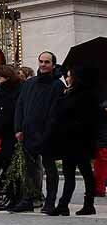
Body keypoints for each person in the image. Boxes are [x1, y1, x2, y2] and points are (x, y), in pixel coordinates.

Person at [12, 51, 65, 213]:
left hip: (48, 134)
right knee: (28, 169)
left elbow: (56, 112)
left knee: (49, 169)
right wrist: (18, 129)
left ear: (53, 65)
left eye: (47, 62)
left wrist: (49, 132)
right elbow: (20, 106)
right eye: (41, 61)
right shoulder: (29, 83)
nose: (43, 64)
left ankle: (50, 202)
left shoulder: (58, 85)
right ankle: (27, 199)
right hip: (28, 132)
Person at [47, 66, 100, 216]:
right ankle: (63, 204)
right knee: (68, 173)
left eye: (70, 76)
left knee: (86, 173)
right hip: (68, 141)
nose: (67, 78)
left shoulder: (87, 95)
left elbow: (86, 120)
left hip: (80, 141)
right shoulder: (69, 93)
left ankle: (88, 204)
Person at [0, 65, 22, 206]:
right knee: (4, 165)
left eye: (0, 78)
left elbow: (10, 113)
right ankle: (8, 194)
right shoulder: (0, 92)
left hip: (10, 133)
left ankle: (14, 196)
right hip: (1, 134)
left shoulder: (14, 93)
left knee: (11, 166)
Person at [95, 97, 107, 198]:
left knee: (101, 165)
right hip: (102, 138)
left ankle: (100, 189)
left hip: (103, 139)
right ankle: (99, 188)